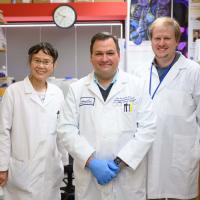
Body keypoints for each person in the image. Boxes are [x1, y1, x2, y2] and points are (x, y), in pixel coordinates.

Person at [57, 32, 157, 200]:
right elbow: (66, 129)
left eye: (110, 53)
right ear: (91, 57)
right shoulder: (77, 89)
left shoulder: (136, 86)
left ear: (118, 55)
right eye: (99, 53)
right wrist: (91, 162)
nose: (104, 59)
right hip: (90, 178)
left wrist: (119, 163)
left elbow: (148, 129)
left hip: (127, 179)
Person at [0, 42, 66, 200]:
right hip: (22, 170)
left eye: (46, 61)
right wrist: (2, 166)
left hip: (51, 169)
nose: (41, 66)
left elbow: (61, 129)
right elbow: (3, 131)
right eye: (37, 60)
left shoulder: (57, 93)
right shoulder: (13, 92)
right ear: (29, 62)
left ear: (53, 65)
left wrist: (64, 160)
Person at [146, 17, 200, 200]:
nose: (162, 43)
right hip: (148, 155)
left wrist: (195, 152)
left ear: (177, 40)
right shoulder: (140, 72)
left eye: (167, 38)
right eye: (157, 38)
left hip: (181, 154)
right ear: (151, 40)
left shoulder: (194, 71)